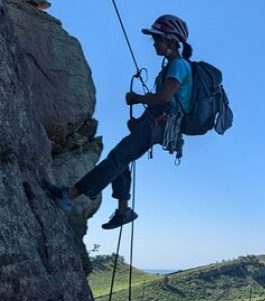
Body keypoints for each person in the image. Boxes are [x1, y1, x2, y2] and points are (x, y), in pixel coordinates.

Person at [45, 14, 194, 229]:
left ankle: (68, 196)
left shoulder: (178, 65)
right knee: (120, 159)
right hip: (159, 124)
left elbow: (164, 98)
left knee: (117, 158)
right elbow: (166, 102)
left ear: (171, 41)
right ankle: (123, 211)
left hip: (160, 124)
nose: (154, 44)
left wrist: (137, 98)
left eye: (157, 39)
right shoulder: (175, 66)